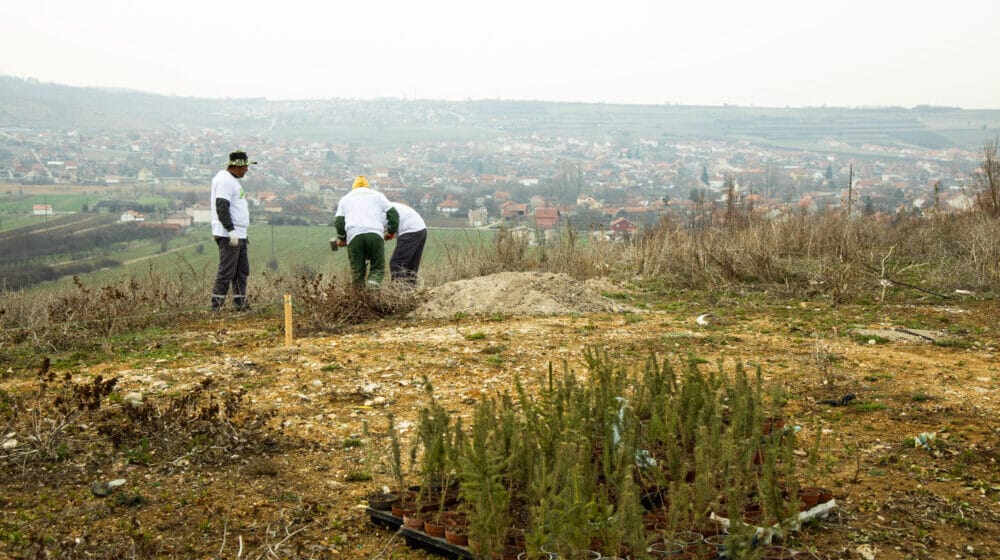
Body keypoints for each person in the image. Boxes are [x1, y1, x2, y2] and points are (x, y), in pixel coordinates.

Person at [210, 150, 256, 310]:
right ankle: (216, 306)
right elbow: (222, 207)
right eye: (245, 167)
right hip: (229, 234)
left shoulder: (231, 180)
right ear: (237, 166)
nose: (247, 170)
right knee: (227, 271)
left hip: (239, 234)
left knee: (241, 271)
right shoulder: (224, 181)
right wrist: (230, 230)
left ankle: (240, 303)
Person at [334, 176, 399, 287]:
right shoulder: (378, 196)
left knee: (357, 272)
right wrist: (391, 232)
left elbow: (339, 221)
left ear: (353, 187)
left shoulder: (345, 199)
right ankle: (371, 292)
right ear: (368, 186)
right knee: (377, 268)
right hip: (375, 235)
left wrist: (342, 238)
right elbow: (393, 214)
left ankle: (358, 299)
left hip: (354, 237)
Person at [386, 202, 427, 284]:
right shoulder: (385, 205)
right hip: (421, 229)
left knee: (397, 263)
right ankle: (411, 292)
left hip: (410, 230)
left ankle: (400, 291)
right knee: (410, 267)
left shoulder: (378, 211)